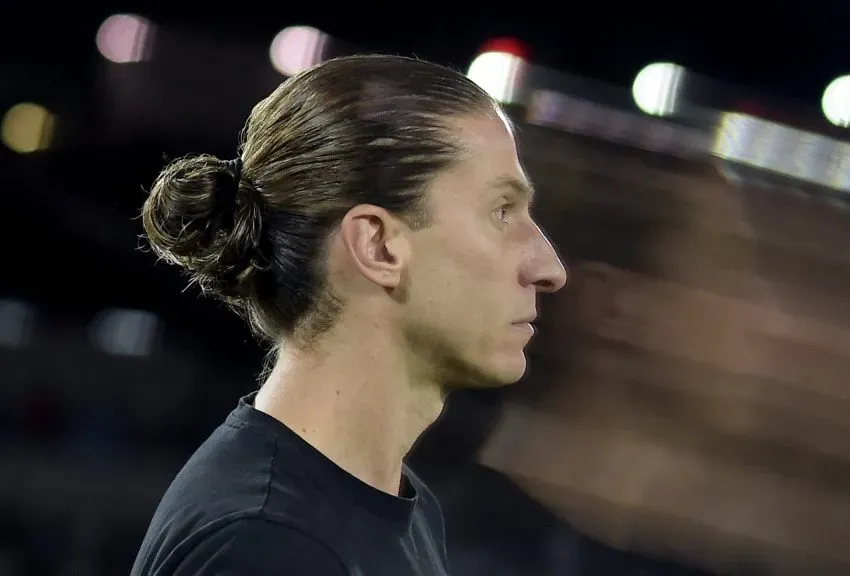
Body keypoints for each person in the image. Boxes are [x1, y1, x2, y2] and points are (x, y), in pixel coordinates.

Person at [130, 54, 567, 576]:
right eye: (501, 211)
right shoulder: (271, 543)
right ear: (378, 246)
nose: (549, 267)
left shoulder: (391, 506)